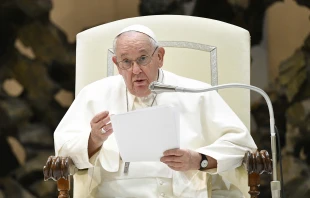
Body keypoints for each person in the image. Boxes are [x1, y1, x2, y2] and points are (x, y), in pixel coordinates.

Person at [54, 24, 257, 198]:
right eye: (126, 62)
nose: (135, 70)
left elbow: (241, 144)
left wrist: (199, 159)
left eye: (143, 58)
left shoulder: (196, 93)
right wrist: (93, 141)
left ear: (159, 56)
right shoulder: (94, 94)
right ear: (117, 64)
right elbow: (62, 151)